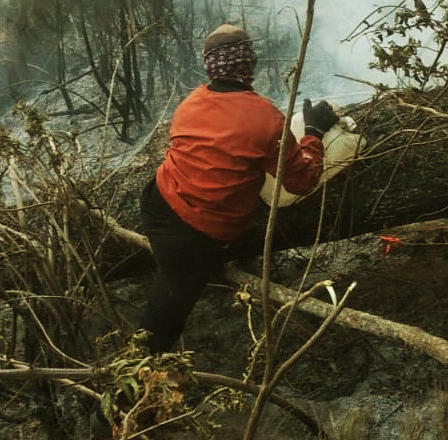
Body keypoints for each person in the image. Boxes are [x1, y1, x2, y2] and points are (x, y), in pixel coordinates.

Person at [138, 24, 339, 353]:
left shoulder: (191, 102)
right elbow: (301, 181)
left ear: (210, 65)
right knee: (169, 309)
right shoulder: (266, 118)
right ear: (249, 63)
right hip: (195, 233)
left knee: (174, 278)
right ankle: (142, 369)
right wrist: (313, 133)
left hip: (156, 201)